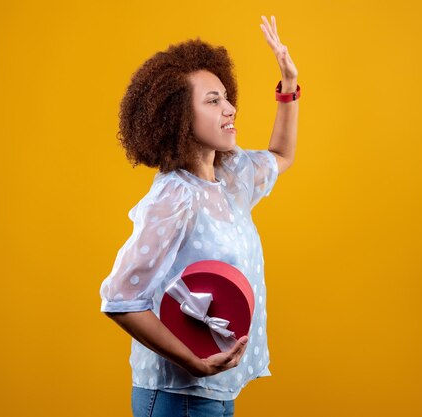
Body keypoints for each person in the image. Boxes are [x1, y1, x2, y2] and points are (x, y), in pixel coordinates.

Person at [99, 15, 299, 417]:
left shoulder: (232, 177)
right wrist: (192, 361)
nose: (230, 109)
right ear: (179, 118)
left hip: (219, 391)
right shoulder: (175, 197)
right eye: (212, 101)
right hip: (179, 397)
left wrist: (289, 88)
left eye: (226, 97)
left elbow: (281, 156)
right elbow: (120, 299)